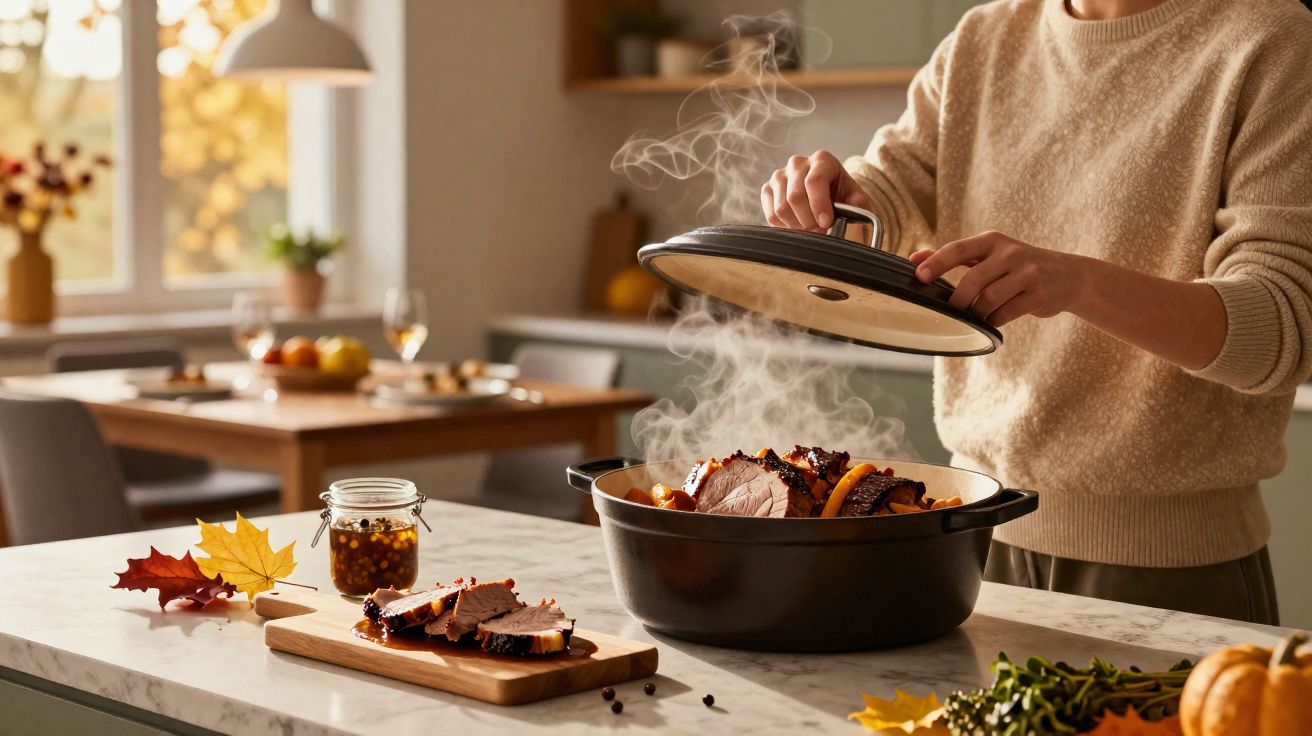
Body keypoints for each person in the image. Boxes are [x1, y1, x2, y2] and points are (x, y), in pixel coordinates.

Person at [762, 0, 1312, 624]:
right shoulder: (984, 38)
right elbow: (888, 196)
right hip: (970, 542)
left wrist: (1078, 282)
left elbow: (1283, 324)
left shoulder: (1270, 39)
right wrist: (835, 202)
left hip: (1169, 569)